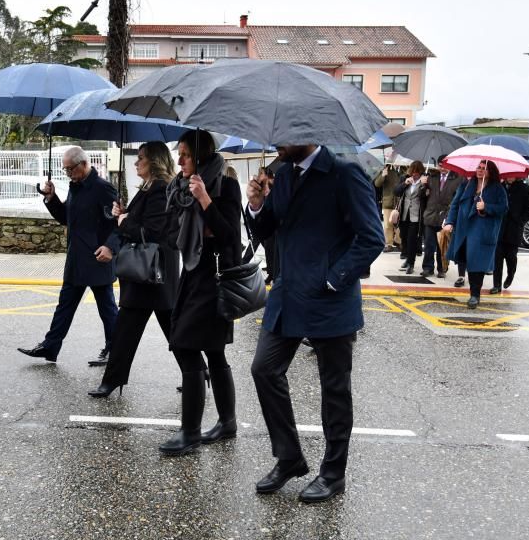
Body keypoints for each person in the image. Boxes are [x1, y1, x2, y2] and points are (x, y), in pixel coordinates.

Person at [245, 143, 383, 503]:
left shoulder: (344, 173)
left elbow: (373, 238)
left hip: (329, 299)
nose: (276, 142)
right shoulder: (286, 174)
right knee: (264, 370)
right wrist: (257, 203)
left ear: (304, 131)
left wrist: (335, 278)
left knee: (334, 390)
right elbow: (266, 229)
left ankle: (333, 473)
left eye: (282, 135)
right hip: (288, 294)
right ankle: (289, 457)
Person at [158, 130, 242, 456]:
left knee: (185, 346)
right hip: (192, 273)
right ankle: (227, 422)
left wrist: (206, 200)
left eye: (186, 155)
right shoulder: (181, 188)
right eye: (178, 154)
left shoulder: (225, 184)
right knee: (214, 352)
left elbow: (230, 236)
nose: (179, 160)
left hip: (215, 275)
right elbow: (171, 229)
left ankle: (190, 433)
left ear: (201, 156)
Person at [88, 142, 179, 397]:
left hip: (152, 273)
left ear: (155, 161)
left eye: (141, 158)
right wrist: (124, 213)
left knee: (149, 329)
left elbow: (152, 232)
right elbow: (142, 223)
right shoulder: (149, 188)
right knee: (130, 330)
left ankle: (196, 371)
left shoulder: (160, 189)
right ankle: (113, 380)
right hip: (147, 275)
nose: (136, 163)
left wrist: (124, 221)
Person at [18, 146, 119, 365]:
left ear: (83, 164)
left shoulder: (104, 189)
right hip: (76, 258)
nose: (68, 174)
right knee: (64, 306)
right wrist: (52, 198)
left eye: (70, 169)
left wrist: (110, 248)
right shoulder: (75, 187)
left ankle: (115, 350)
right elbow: (66, 218)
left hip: (97, 258)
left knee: (107, 308)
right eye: (65, 170)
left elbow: (116, 225)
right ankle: (50, 347)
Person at [442, 160, 509, 309]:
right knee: (466, 259)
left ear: (490, 172)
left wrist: (487, 207)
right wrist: (450, 222)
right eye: (479, 167)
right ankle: (470, 287)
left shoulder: (498, 189)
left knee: (476, 263)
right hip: (464, 228)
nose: (480, 170)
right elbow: (455, 205)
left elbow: (503, 208)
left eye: (484, 168)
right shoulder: (466, 185)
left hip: (483, 231)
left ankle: (474, 295)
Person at [491, 177, 529, 293]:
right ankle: (497, 285)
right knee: (497, 258)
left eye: (512, 175)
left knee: (511, 257)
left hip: (514, 229)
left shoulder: (525, 189)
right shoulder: (499, 187)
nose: (510, 177)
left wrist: (520, 221)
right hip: (500, 228)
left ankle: (510, 274)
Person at [421, 165, 461, 278]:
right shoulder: (431, 177)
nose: (443, 168)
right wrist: (423, 186)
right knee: (429, 244)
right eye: (440, 165)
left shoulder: (457, 179)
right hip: (430, 216)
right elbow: (422, 196)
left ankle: (442, 268)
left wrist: (451, 217)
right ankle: (427, 268)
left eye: (445, 165)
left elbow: (457, 199)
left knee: (442, 245)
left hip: (445, 217)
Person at [394, 161, 426, 274]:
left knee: (412, 239)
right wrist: (405, 184)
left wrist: (424, 185)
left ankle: (411, 264)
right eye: (412, 172)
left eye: (416, 172)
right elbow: (396, 192)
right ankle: (407, 259)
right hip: (404, 214)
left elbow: (425, 197)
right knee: (404, 237)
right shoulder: (405, 178)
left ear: (420, 171)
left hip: (416, 215)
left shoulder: (424, 180)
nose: (414, 174)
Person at [373, 162, 401, 251]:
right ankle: (388, 243)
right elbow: (377, 184)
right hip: (388, 201)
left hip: (400, 202)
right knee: (388, 225)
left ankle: (399, 241)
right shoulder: (386, 169)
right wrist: (383, 175)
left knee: (400, 224)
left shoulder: (405, 170)